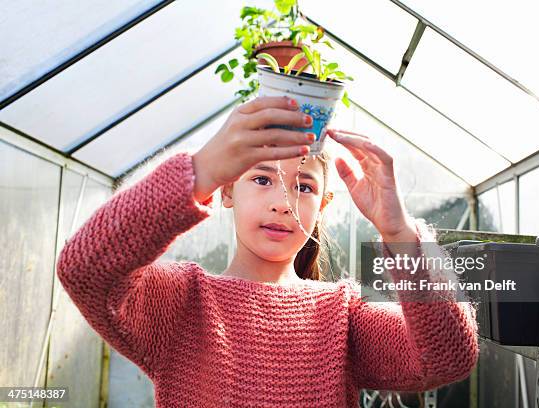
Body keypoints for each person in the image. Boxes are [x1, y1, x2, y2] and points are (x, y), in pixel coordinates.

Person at [56, 96, 479, 407]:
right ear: (226, 190)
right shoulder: (180, 304)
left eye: (304, 186)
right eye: (262, 179)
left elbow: (448, 357)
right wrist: (197, 171)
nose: (283, 201)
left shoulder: (341, 315)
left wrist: (399, 230)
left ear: (322, 207)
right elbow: (84, 268)